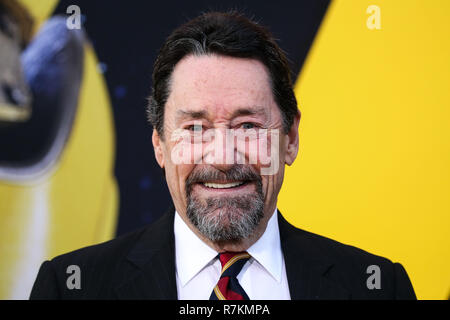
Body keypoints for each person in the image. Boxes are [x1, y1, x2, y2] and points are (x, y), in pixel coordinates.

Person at [30, 11, 416, 300]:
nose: (223, 157)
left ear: (291, 138)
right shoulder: (71, 288)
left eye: (247, 125)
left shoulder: (378, 287)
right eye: (195, 128)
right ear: (159, 145)